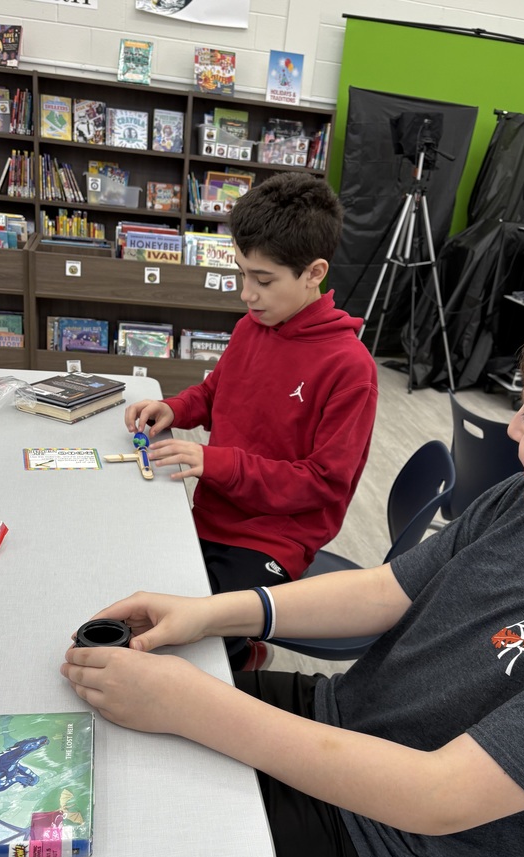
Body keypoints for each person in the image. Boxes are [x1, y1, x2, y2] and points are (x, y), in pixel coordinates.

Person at [62, 293, 524, 857]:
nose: (512, 430)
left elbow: (436, 797)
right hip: (346, 722)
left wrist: (194, 704)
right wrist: (212, 612)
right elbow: (388, 588)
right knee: (112, 749)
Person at [124, 172, 378, 668]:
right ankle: (243, 647)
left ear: (314, 272)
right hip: (210, 513)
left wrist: (216, 463)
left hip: (273, 540)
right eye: (242, 273)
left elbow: (322, 484)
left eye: (263, 280)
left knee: (184, 653)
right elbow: (216, 393)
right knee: (134, 598)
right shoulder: (252, 327)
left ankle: (240, 654)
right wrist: (176, 407)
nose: (246, 294)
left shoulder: (350, 368)